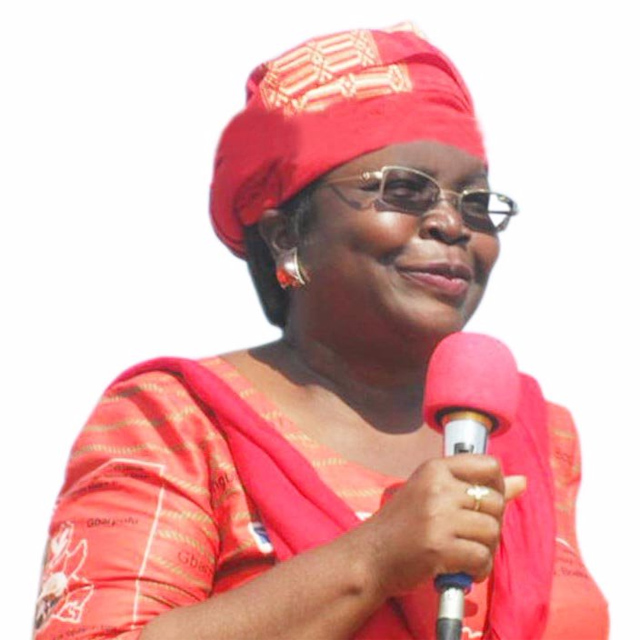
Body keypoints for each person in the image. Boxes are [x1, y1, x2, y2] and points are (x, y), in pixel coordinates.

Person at [34, 23, 608, 640]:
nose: (451, 223)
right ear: (287, 234)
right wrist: (374, 559)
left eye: (474, 202)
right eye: (403, 190)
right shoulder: (175, 421)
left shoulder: (532, 430)